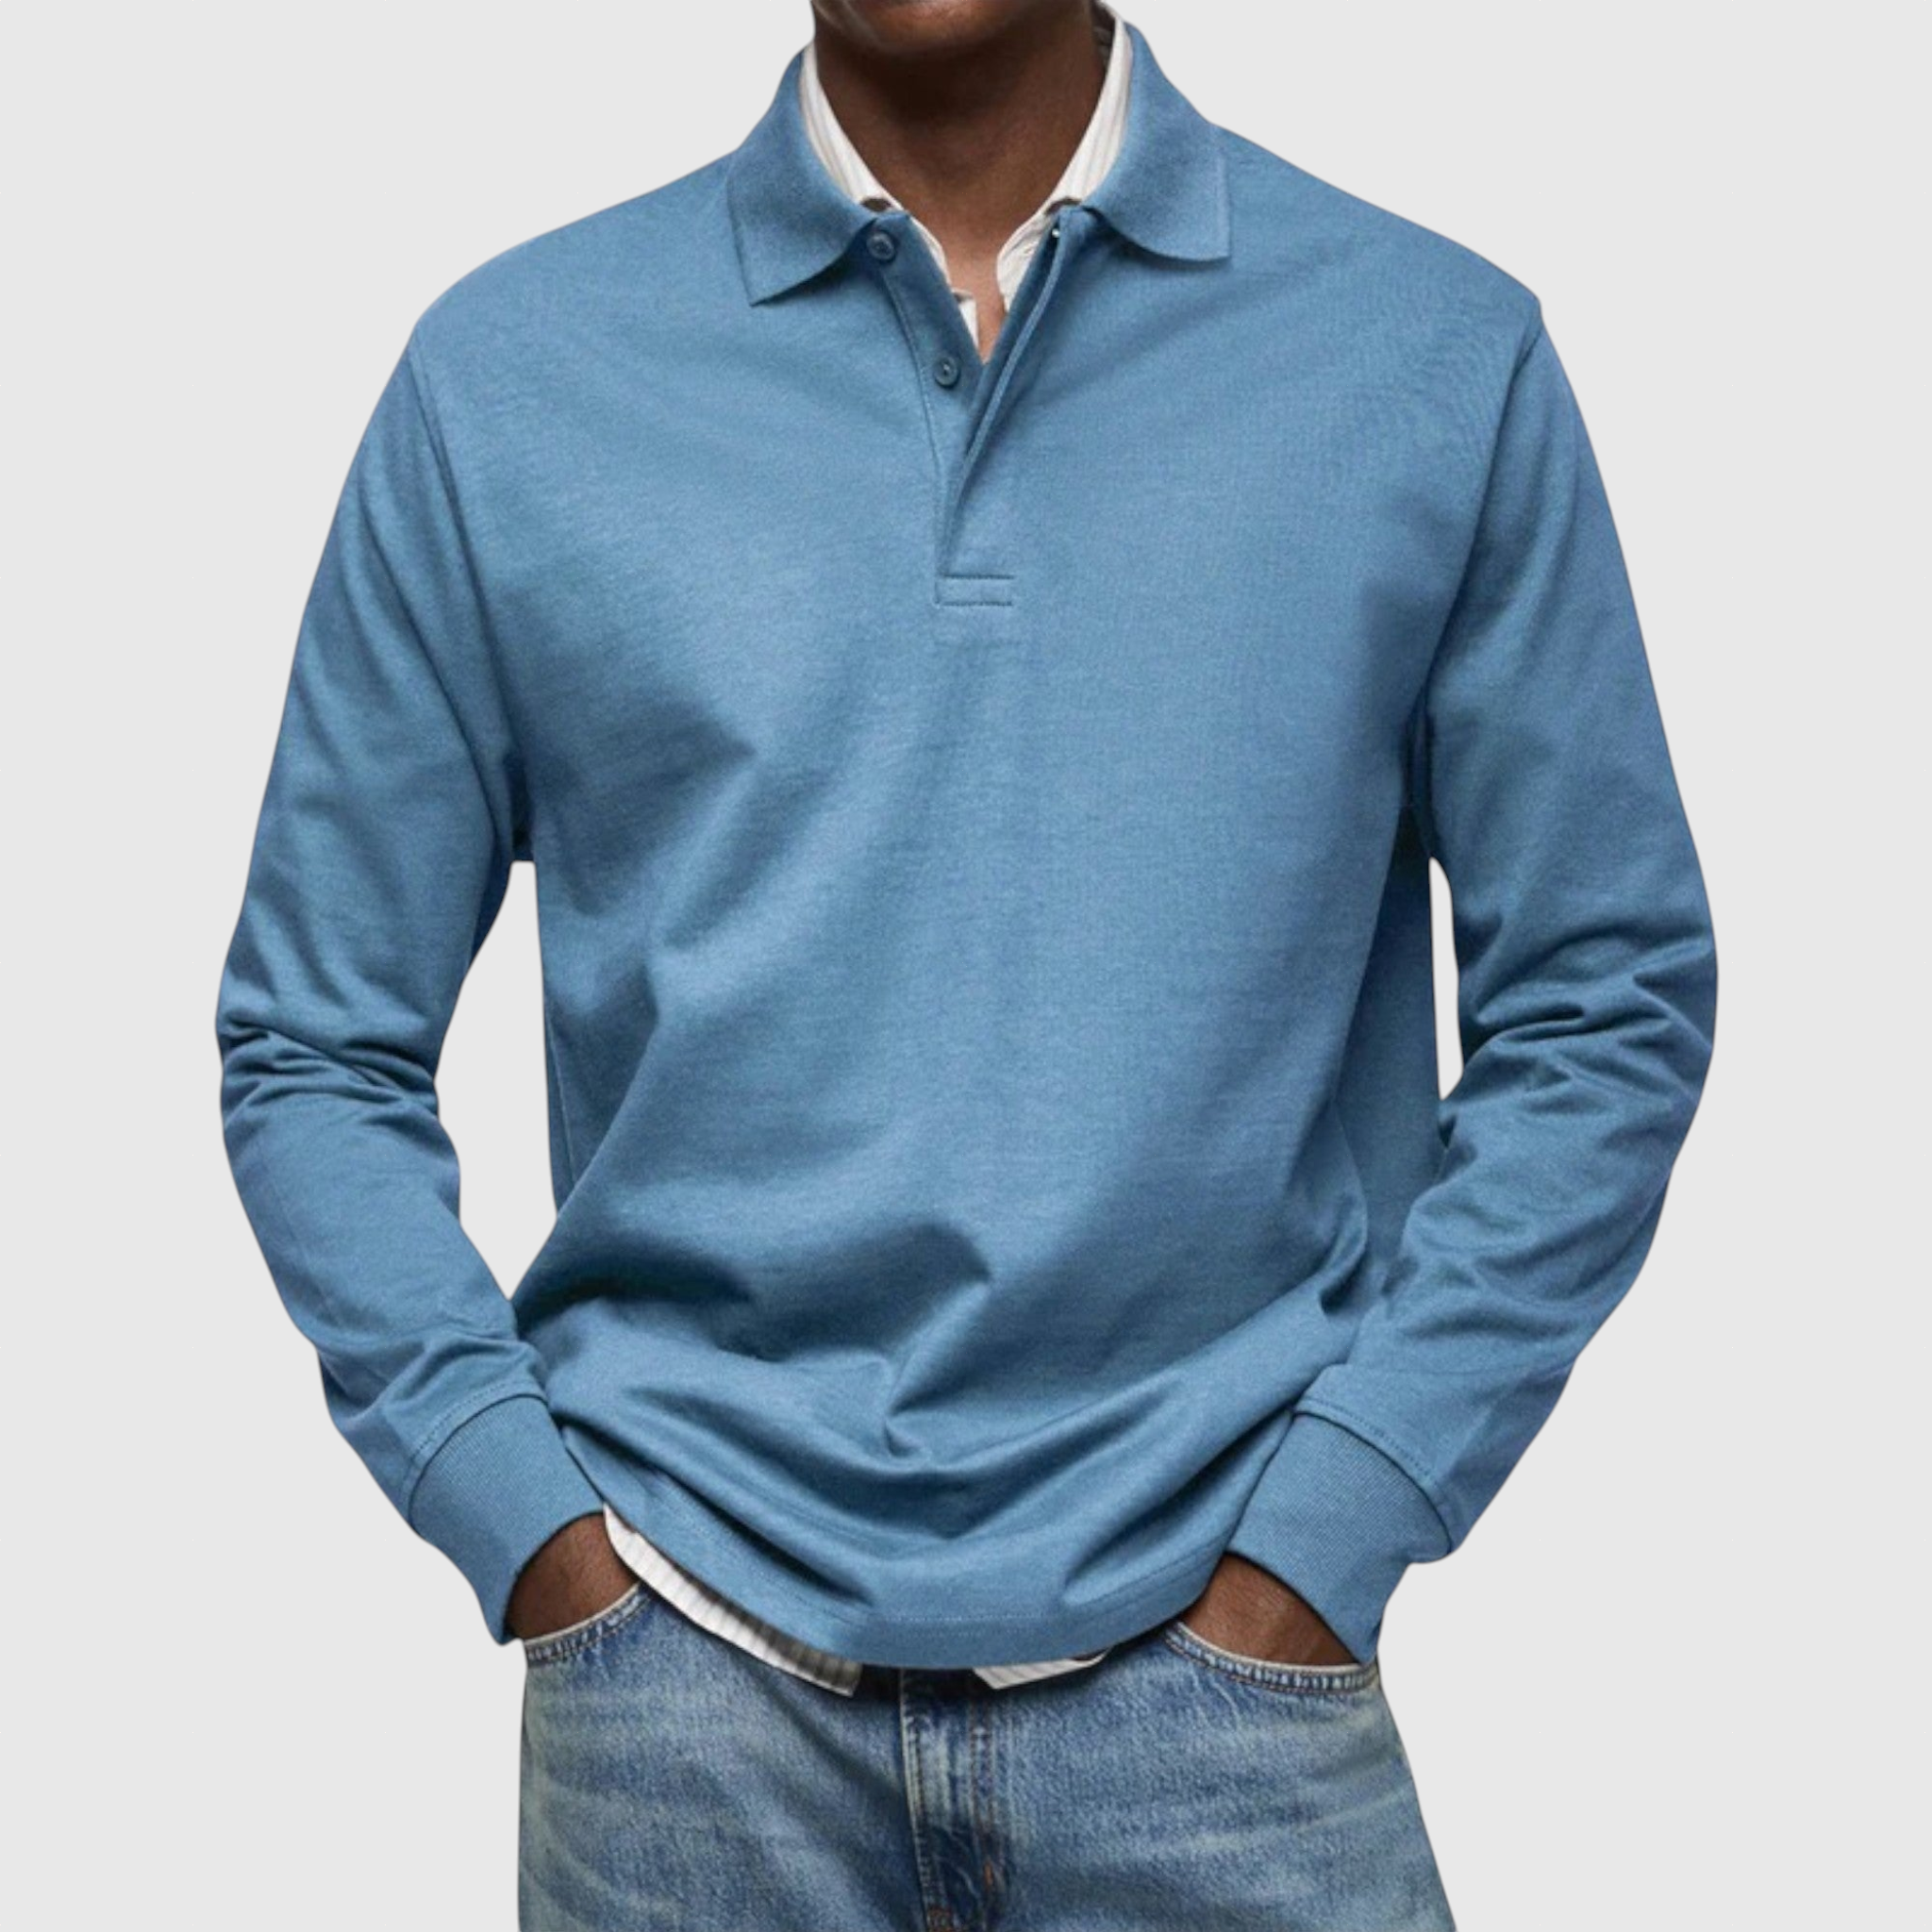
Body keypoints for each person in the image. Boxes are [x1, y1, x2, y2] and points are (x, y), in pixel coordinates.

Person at [213, 2, 1719, 1924]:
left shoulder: (1428, 352)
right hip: (679, 1690)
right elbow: (314, 1038)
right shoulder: (509, 377)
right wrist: (523, 1522)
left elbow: (1603, 996)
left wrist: (1348, 1508)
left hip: (1232, 1683)